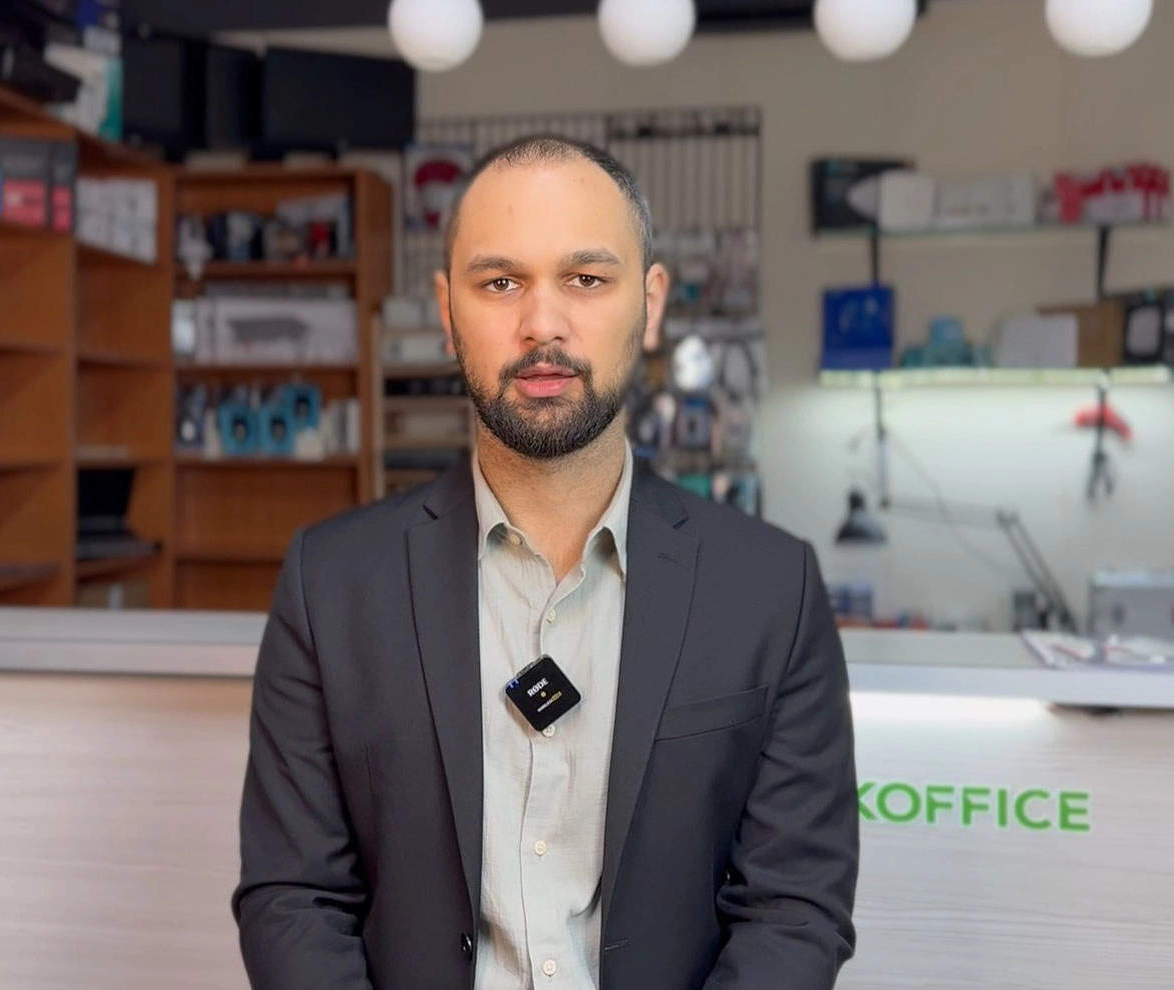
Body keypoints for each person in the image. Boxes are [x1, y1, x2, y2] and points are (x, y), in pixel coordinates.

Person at [233, 135, 859, 990]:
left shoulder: (768, 590)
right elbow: (292, 898)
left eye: (586, 279)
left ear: (650, 303)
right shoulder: (331, 583)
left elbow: (794, 908)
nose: (542, 324)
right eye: (500, 283)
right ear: (446, 309)